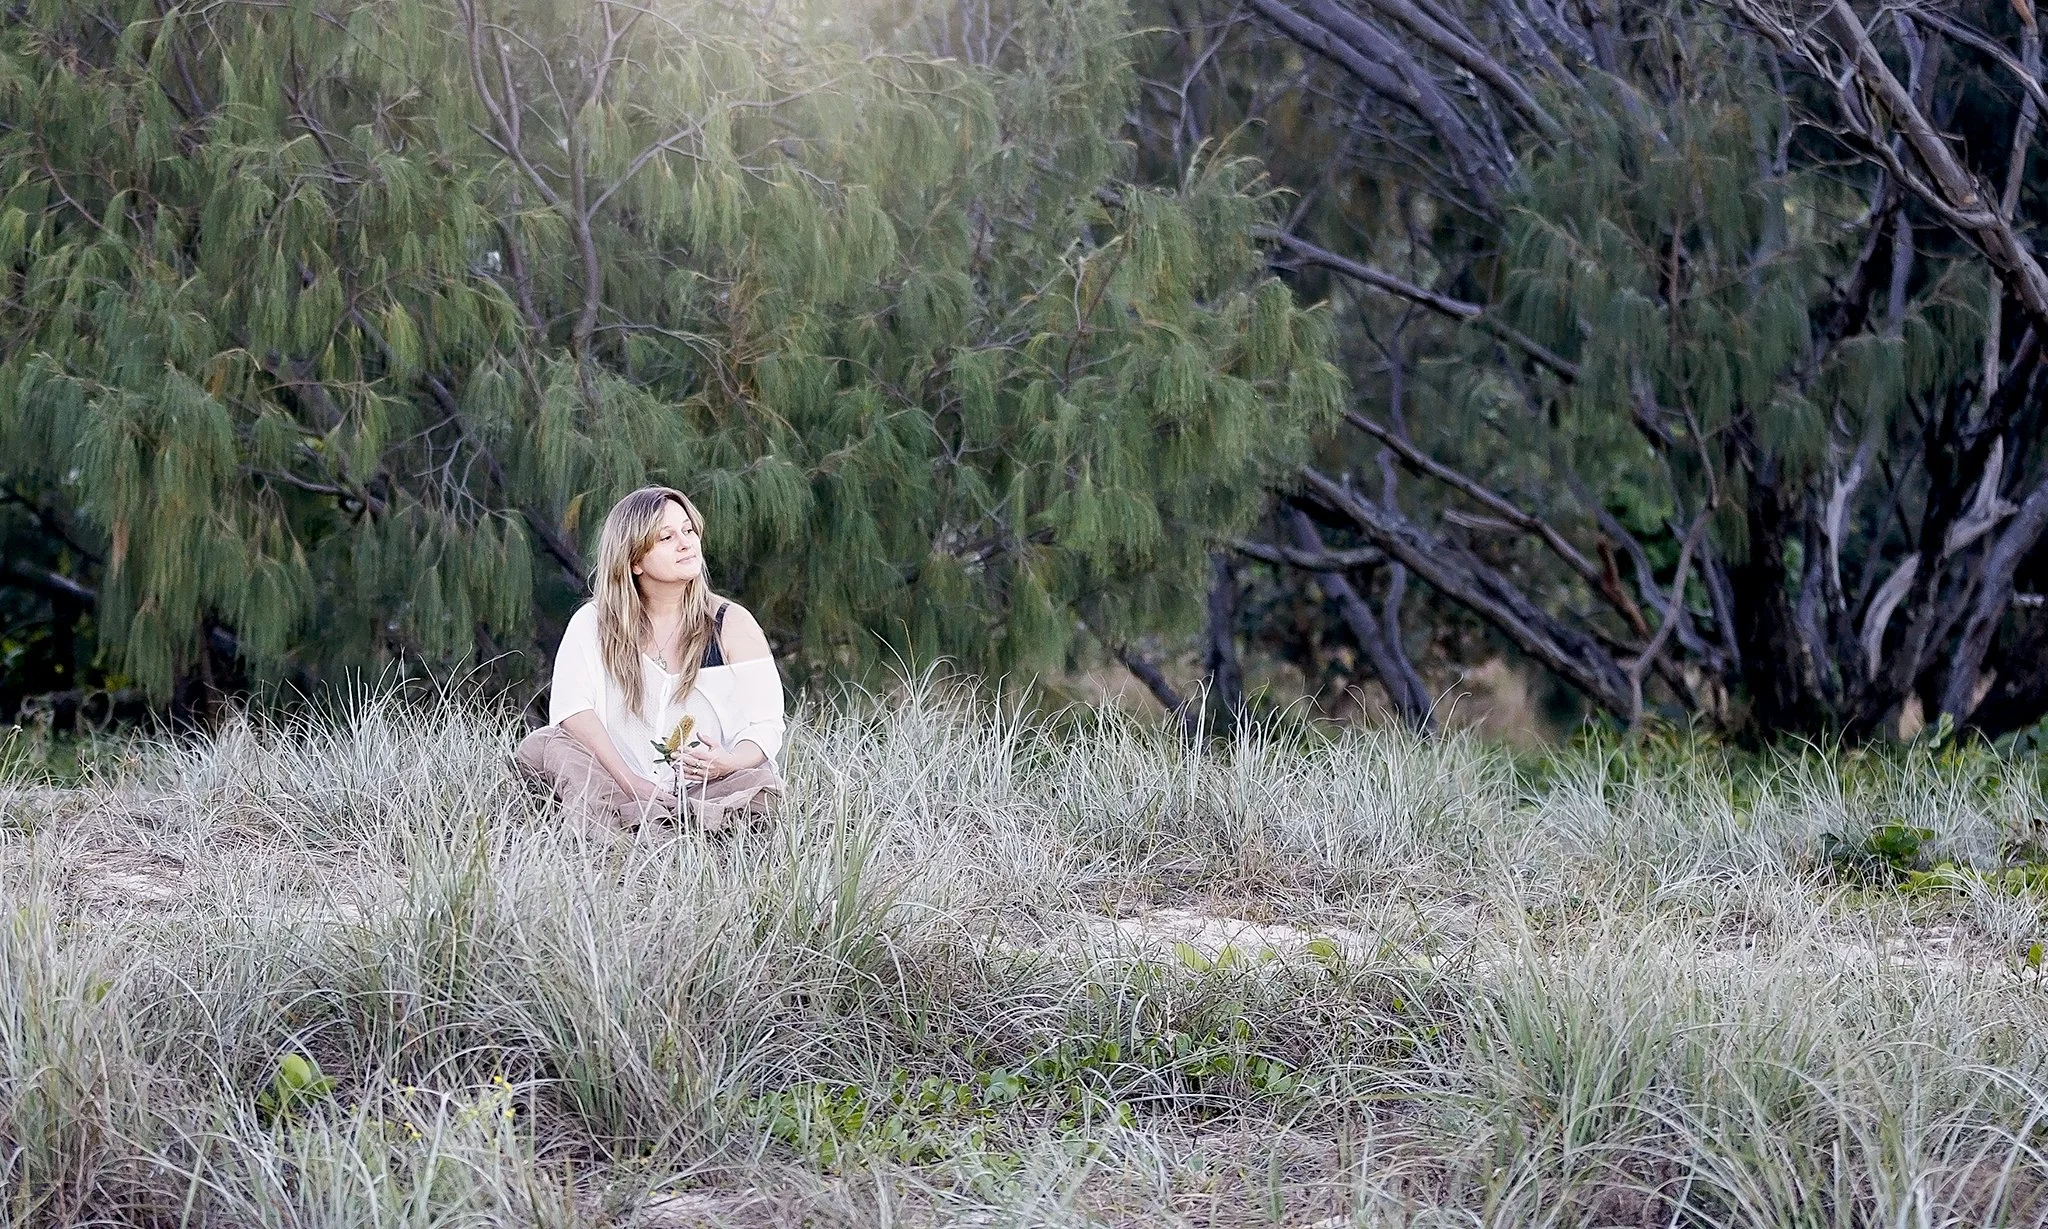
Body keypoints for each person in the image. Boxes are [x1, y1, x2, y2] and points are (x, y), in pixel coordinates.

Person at [515, 486, 786, 833]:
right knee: (543, 746)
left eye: (689, 531)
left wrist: (727, 762)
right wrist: (631, 782)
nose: (687, 543)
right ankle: (647, 826)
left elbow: (765, 725)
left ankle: (651, 827)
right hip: (615, 781)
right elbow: (572, 713)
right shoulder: (594, 623)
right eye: (666, 537)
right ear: (634, 561)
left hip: (708, 788)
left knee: (759, 784)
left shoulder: (731, 624)